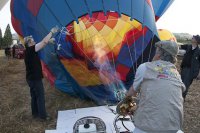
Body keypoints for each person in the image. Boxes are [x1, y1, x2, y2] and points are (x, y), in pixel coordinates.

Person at [125, 40, 185, 133]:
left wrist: (125, 106)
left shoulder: (145, 67)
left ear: (159, 54)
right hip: (174, 127)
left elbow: (132, 92)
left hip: (147, 127)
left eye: (156, 50)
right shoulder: (176, 74)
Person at [24, 26, 58, 120]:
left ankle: (35, 114)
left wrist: (49, 41)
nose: (34, 41)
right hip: (35, 79)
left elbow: (42, 44)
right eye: (32, 40)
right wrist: (51, 32)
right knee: (40, 96)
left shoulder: (28, 51)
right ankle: (43, 116)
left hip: (30, 78)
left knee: (34, 96)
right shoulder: (31, 49)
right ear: (29, 43)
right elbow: (43, 42)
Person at [180, 35, 200, 100]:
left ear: (197, 41)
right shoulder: (188, 46)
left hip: (191, 71)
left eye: (193, 38)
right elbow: (179, 46)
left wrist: (199, 74)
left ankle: (182, 99)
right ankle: (178, 97)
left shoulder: (199, 51)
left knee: (186, 85)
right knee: (180, 83)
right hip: (183, 68)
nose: (192, 38)